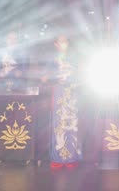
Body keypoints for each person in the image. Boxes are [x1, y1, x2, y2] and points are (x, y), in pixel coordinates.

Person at [42, 34, 81, 168]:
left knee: (71, 124)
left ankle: (71, 158)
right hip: (58, 91)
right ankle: (57, 159)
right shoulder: (51, 59)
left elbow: (81, 74)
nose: (64, 43)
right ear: (56, 44)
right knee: (59, 124)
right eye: (61, 41)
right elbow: (44, 77)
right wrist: (51, 76)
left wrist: (74, 76)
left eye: (66, 41)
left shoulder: (75, 58)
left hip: (72, 92)